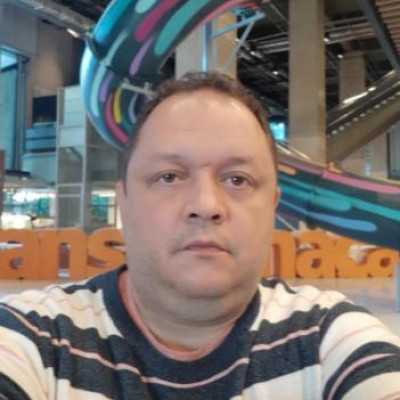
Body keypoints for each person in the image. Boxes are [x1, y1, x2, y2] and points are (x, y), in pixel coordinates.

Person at [0, 72, 399, 400]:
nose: (206, 205)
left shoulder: (330, 338)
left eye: (238, 179)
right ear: (125, 202)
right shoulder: (32, 337)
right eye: (169, 177)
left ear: (272, 207)